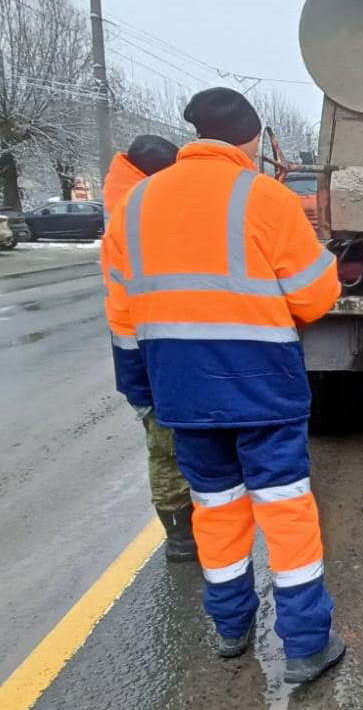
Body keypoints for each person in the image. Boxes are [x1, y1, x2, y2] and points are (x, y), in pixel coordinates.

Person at [103, 87, 345, 684]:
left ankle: (231, 629)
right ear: (252, 139)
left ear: (194, 137)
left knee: (215, 513)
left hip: (184, 397)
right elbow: (316, 297)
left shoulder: (134, 207)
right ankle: (307, 645)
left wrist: (144, 394)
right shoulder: (264, 199)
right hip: (265, 392)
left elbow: (123, 320)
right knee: (286, 515)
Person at [101, 135, 196, 562]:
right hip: (152, 352)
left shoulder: (127, 202)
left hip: (144, 351)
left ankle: (183, 531)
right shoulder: (140, 210)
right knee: (169, 446)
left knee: (166, 444)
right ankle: (181, 535)